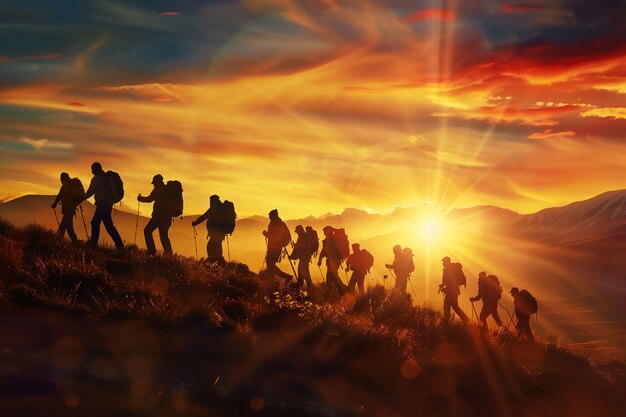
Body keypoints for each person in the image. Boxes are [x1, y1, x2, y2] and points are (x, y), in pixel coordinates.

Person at [83, 162, 124, 249]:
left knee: (100, 224)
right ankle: (119, 244)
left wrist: (81, 199)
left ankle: (94, 244)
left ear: (95, 169)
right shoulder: (106, 177)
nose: (91, 171)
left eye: (92, 169)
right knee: (102, 224)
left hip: (102, 204)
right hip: (108, 204)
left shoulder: (97, 178)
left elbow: (90, 191)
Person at [137, 174, 172, 255]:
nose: (154, 185)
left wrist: (140, 198)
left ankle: (151, 251)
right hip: (167, 218)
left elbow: (149, 199)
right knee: (164, 237)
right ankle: (169, 254)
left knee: (147, 231)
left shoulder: (158, 189)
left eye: (154, 183)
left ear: (157, 182)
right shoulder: (167, 189)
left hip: (158, 217)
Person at [192, 195, 227, 263]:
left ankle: (212, 261)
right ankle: (219, 261)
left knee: (210, 246)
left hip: (215, 232)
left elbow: (204, 216)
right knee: (217, 245)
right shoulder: (221, 208)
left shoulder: (213, 208)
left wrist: (195, 223)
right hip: (221, 232)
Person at [261, 209, 292, 280]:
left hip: (274, 248)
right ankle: (274, 278)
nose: (269, 217)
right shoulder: (279, 223)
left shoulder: (276, 224)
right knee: (270, 264)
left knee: (270, 264)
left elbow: (274, 236)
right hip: (276, 248)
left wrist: (266, 234)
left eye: (270, 216)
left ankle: (285, 277)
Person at [439, 256, 469, 324]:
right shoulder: (450, 268)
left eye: (443, 261)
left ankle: (445, 322)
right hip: (454, 291)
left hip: (451, 291)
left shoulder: (448, 269)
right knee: (455, 306)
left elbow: (448, 281)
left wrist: (443, 286)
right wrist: (443, 285)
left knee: (447, 306)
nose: (443, 263)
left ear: (446, 261)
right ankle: (466, 320)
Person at [51, 172, 79, 242]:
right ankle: (74, 241)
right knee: (68, 226)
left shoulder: (66, 185)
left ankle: (58, 240)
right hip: (71, 209)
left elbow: (60, 195)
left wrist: (54, 204)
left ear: (64, 178)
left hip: (68, 209)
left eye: (61, 178)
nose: (60, 179)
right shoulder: (70, 184)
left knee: (64, 225)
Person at [318, 226, 346, 294]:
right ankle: (338, 290)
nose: (324, 233)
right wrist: (320, 259)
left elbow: (324, 251)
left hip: (333, 261)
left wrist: (320, 260)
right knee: (332, 275)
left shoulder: (330, 240)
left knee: (331, 275)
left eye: (325, 232)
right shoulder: (333, 239)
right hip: (334, 261)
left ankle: (342, 290)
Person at [289, 225, 313, 289]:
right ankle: (300, 284)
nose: (297, 233)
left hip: (303, 258)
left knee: (303, 271)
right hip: (305, 257)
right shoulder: (305, 237)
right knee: (302, 271)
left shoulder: (302, 237)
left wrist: (292, 257)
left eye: (297, 232)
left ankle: (308, 286)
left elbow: (298, 249)